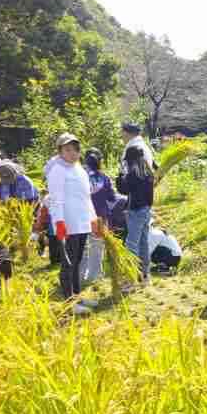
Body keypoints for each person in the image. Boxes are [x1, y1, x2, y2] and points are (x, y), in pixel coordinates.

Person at [46, 133, 99, 315]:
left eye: (75, 149)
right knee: (68, 264)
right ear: (60, 151)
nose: (72, 153)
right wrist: (59, 222)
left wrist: (93, 218)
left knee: (76, 262)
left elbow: (87, 198)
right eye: (67, 150)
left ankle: (77, 297)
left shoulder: (80, 169)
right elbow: (56, 200)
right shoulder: (57, 170)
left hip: (82, 223)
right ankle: (70, 303)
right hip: (67, 224)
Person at [117, 146, 155, 284]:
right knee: (144, 243)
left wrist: (120, 176)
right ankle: (145, 275)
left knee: (131, 244)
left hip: (135, 212)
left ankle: (130, 279)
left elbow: (123, 189)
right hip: (146, 210)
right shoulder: (148, 173)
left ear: (130, 160)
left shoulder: (133, 174)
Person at [79, 148, 117, 283]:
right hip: (100, 217)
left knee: (82, 247)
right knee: (97, 246)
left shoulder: (79, 175)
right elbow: (112, 197)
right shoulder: (104, 177)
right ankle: (94, 275)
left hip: (81, 216)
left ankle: (80, 275)